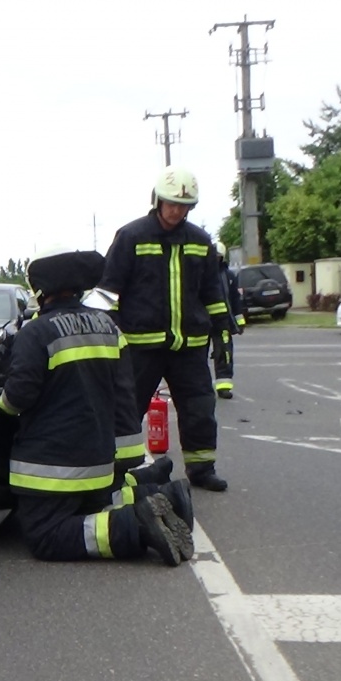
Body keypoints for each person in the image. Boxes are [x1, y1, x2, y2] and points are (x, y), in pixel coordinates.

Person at [0, 248, 194, 566]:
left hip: (51, 470)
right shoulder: (108, 327)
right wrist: (126, 456)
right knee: (90, 504)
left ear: (41, 292)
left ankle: (136, 526)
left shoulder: (36, 332)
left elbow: (19, 396)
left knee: (46, 534)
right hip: (100, 461)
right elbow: (126, 392)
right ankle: (165, 495)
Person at [92, 165, 233, 492]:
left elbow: (213, 291)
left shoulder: (200, 241)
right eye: (171, 203)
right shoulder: (131, 236)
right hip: (140, 346)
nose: (176, 210)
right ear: (157, 200)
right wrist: (109, 332)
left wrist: (222, 329)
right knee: (127, 410)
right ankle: (114, 469)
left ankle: (201, 467)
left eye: (184, 206)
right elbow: (108, 290)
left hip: (189, 346)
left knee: (199, 408)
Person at [211, 241, 246, 399]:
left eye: (218, 257)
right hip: (201, 322)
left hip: (223, 321)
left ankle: (223, 386)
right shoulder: (199, 273)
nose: (215, 259)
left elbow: (235, 300)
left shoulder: (229, 276)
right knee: (196, 357)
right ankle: (200, 387)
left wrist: (240, 321)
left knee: (224, 353)